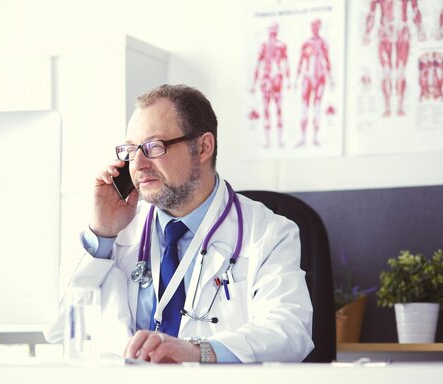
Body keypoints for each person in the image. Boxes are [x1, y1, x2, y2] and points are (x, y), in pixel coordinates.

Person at [47, 84, 313, 364]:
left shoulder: (269, 232)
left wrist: (198, 352)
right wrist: (102, 234)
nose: (137, 164)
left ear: (202, 147)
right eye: (131, 149)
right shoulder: (118, 230)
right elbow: (57, 328)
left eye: (153, 147)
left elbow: (290, 330)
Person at [250, 22, 290, 148]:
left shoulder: (281, 46)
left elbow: (286, 64)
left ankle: (278, 141)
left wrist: (289, 81)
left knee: (278, 109)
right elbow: (258, 65)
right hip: (267, 79)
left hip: (276, 78)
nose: (273, 32)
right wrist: (254, 83)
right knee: (267, 109)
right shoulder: (264, 46)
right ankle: (268, 141)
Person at [295, 19, 333, 147]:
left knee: (317, 108)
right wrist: (296, 79)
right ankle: (302, 138)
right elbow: (300, 62)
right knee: (304, 108)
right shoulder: (306, 43)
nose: (314, 28)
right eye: (312, 26)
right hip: (308, 77)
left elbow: (327, 62)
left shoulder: (323, 43)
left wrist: (331, 78)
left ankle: (315, 138)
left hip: (320, 77)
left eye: (316, 26)